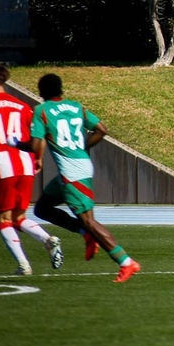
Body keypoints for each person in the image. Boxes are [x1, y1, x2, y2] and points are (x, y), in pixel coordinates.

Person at [28, 73, 139, 283]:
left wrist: (14, 143)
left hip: (72, 173)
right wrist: (83, 147)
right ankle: (85, 233)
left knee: (89, 222)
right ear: (60, 89)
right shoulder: (77, 107)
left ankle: (126, 262)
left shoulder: (42, 111)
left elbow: (35, 145)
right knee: (42, 208)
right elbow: (101, 130)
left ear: (41, 92)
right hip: (79, 167)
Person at [0, 66, 63, 275]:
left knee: (3, 219)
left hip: (2, 164)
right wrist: (39, 159)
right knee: (18, 217)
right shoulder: (22, 106)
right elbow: (37, 137)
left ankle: (23, 265)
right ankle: (48, 240)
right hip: (25, 164)